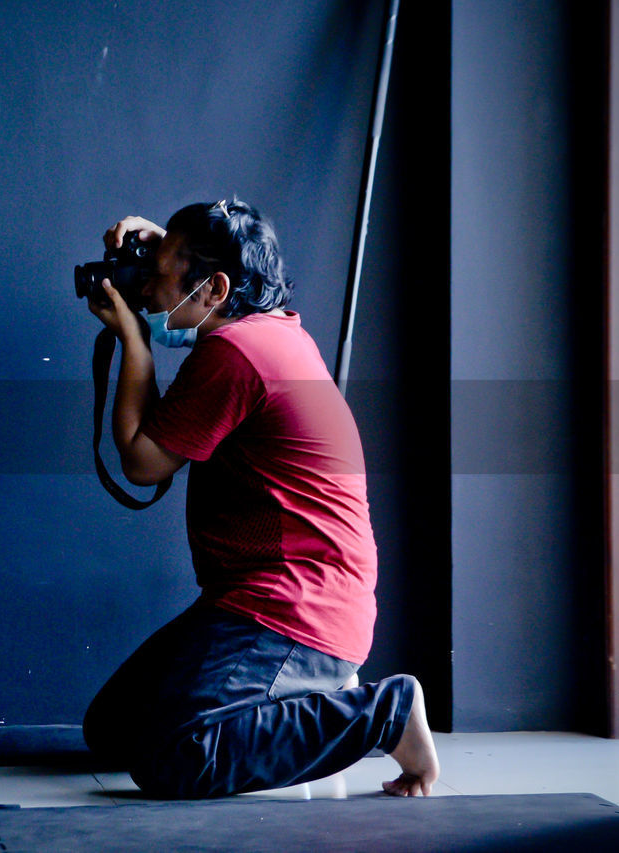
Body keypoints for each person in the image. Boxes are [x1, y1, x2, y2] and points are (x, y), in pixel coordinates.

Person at [82, 199, 439, 798]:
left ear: (215, 288)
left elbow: (143, 463)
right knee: (115, 729)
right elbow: (222, 245)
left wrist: (135, 346)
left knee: (175, 757)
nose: (146, 284)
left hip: (293, 608)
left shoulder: (235, 354)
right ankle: (298, 693)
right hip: (260, 599)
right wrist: (162, 244)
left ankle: (383, 712)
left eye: (161, 270)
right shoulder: (268, 331)